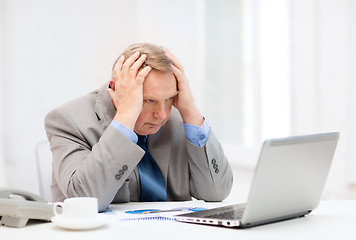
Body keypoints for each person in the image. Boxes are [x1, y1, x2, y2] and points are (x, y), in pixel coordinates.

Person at [45, 43, 233, 211]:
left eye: (168, 99)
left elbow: (216, 193)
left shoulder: (178, 119)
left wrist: (190, 110)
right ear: (117, 90)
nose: (162, 115)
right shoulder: (67, 120)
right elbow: (86, 200)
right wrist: (126, 116)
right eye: (149, 100)